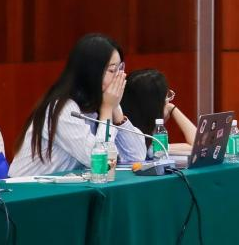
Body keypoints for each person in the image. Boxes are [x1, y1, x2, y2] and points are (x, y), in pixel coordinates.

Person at [9, 33, 145, 176]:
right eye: (112, 70)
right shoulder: (62, 108)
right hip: (26, 186)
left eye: (120, 68)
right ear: (91, 72)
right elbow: (100, 162)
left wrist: (116, 112)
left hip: (62, 187)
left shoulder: (103, 100)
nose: (119, 76)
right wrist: (107, 109)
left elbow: (136, 157)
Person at [122, 69, 197, 155]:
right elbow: (196, 146)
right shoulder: (138, 143)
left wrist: (171, 107)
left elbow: (196, 145)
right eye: (166, 96)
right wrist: (172, 108)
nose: (168, 100)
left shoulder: (148, 140)